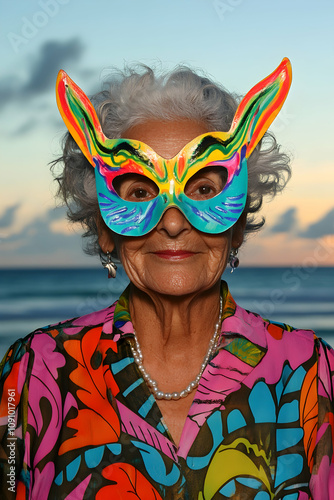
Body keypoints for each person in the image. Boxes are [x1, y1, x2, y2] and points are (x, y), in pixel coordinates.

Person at [0, 58, 333, 499]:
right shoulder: (31, 372)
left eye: (203, 189)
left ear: (236, 224)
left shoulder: (310, 372)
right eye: (139, 192)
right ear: (103, 228)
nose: (173, 222)